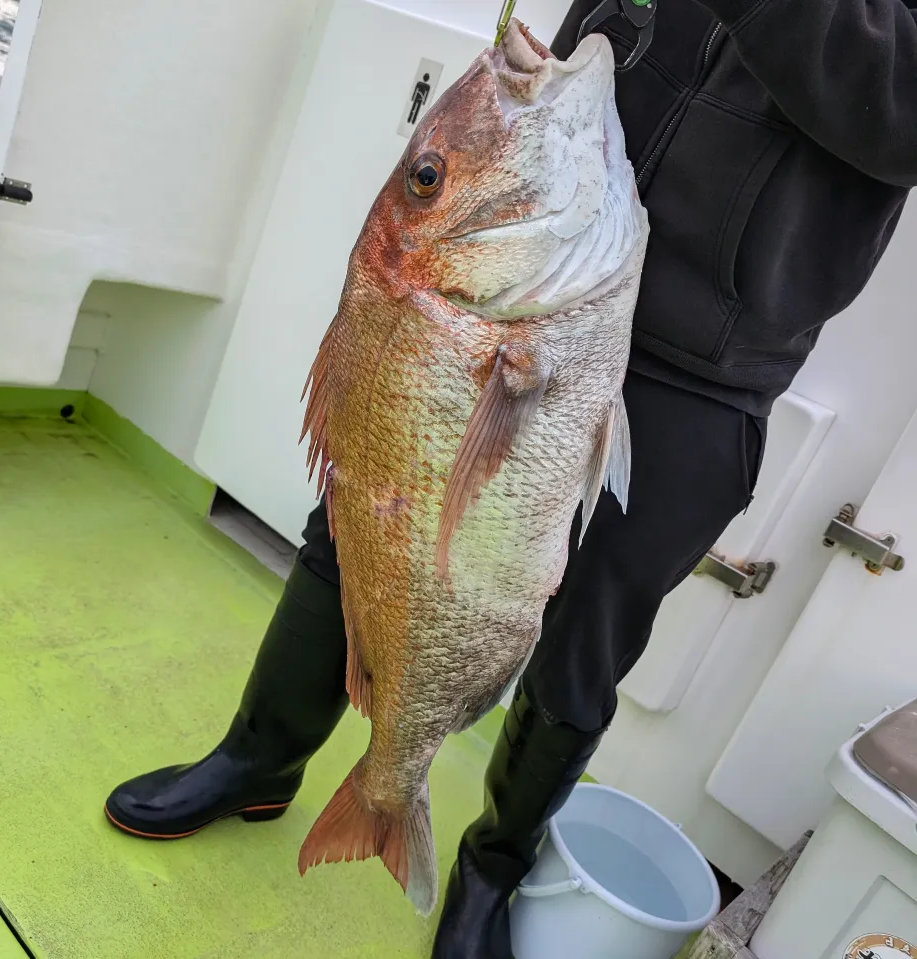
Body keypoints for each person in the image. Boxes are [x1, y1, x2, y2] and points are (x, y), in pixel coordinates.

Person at [104, 0, 917, 954]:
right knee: (369, 521)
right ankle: (260, 753)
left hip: (707, 359)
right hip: (515, 267)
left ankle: (490, 871)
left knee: (588, 642)